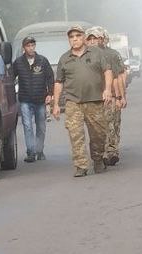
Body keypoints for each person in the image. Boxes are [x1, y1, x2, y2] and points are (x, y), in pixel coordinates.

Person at [52, 24, 113, 176]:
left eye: (78, 36)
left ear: (84, 38)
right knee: (75, 134)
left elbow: (107, 71)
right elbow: (59, 82)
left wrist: (108, 90)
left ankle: (98, 159)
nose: (75, 39)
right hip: (73, 102)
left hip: (95, 101)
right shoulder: (65, 59)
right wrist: (56, 104)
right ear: (69, 40)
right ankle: (80, 165)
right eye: (72, 37)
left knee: (98, 134)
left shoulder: (96, 53)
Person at [88, 27, 127, 166]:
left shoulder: (111, 54)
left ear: (103, 39)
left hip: (110, 95)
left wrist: (120, 97)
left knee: (112, 124)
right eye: (90, 39)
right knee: (99, 127)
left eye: (96, 38)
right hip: (92, 98)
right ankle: (103, 152)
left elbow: (118, 77)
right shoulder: (84, 56)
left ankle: (111, 152)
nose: (93, 41)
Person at [12, 36, 54, 162]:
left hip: (40, 99)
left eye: (32, 45)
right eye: (28, 46)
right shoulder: (18, 62)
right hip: (25, 99)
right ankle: (31, 151)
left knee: (41, 126)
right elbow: (11, 78)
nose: (31, 48)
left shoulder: (42, 61)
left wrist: (50, 94)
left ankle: (40, 150)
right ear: (24, 48)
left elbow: (50, 78)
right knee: (27, 125)